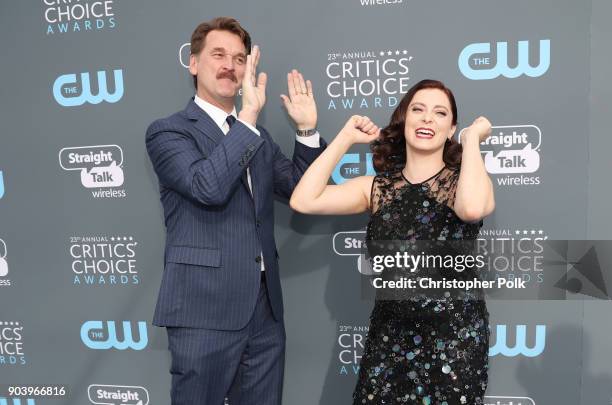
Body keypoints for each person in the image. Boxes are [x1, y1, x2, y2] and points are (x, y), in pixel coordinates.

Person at [145, 17, 326, 405]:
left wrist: (307, 131)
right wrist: (246, 118)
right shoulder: (169, 131)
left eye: (240, 58)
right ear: (193, 63)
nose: (230, 65)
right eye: (219, 55)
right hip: (202, 310)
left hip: (264, 312)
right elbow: (206, 186)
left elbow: (300, 190)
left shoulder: (256, 137)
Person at [290, 79, 495, 404]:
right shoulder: (376, 188)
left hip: (453, 342)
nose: (428, 118)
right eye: (418, 109)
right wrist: (345, 138)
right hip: (390, 338)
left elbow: (471, 209)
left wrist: (471, 142)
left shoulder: (464, 182)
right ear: (404, 119)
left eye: (440, 113)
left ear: (451, 127)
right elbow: (303, 200)